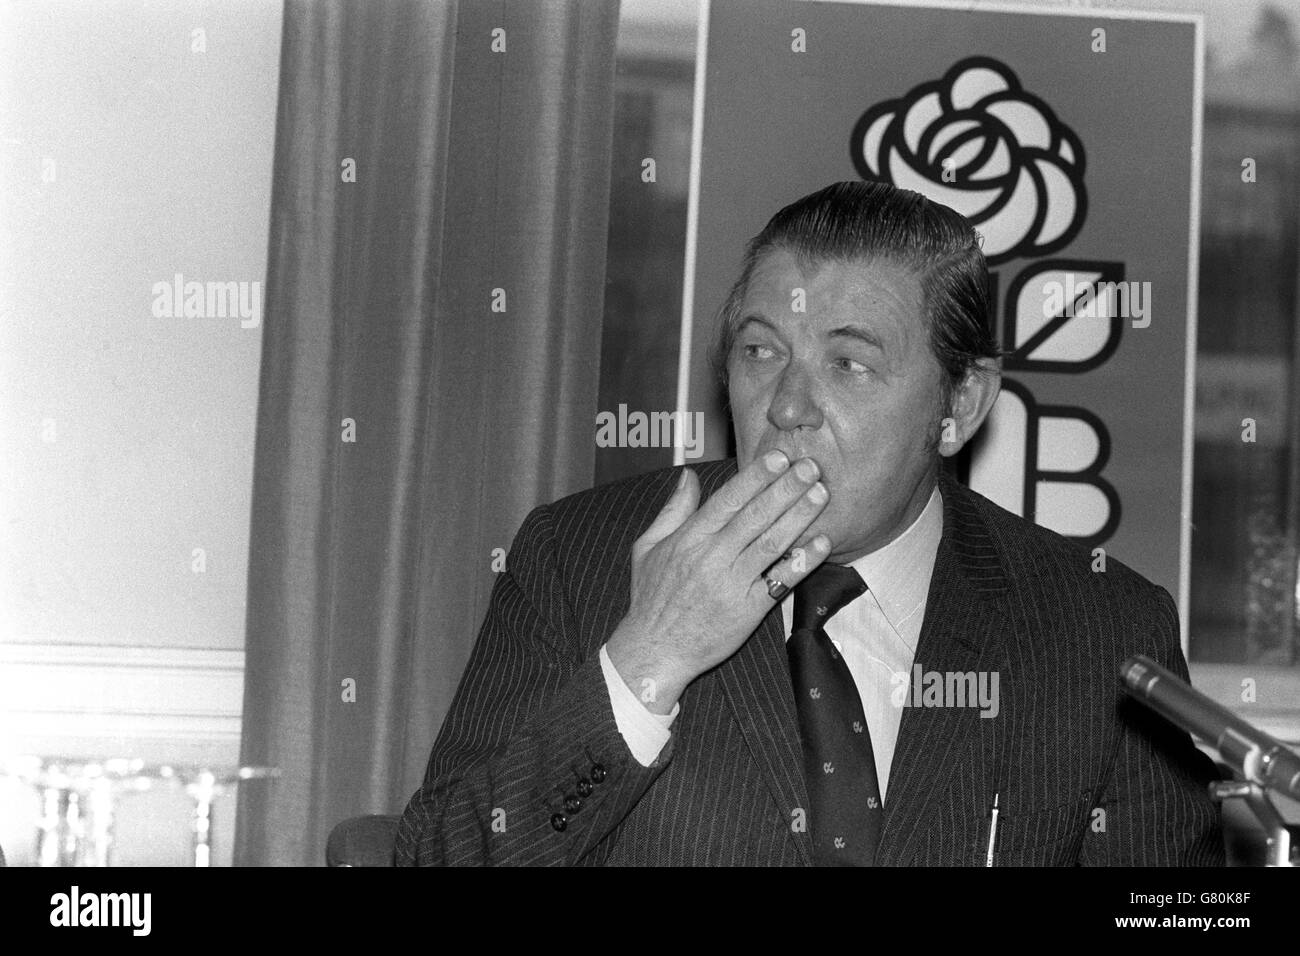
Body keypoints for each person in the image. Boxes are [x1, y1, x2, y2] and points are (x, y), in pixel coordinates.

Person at [395, 181, 1224, 866]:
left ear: (960, 405)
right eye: (761, 352)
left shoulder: (1098, 629)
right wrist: (648, 659)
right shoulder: (578, 561)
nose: (788, 406)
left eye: (849, 364)